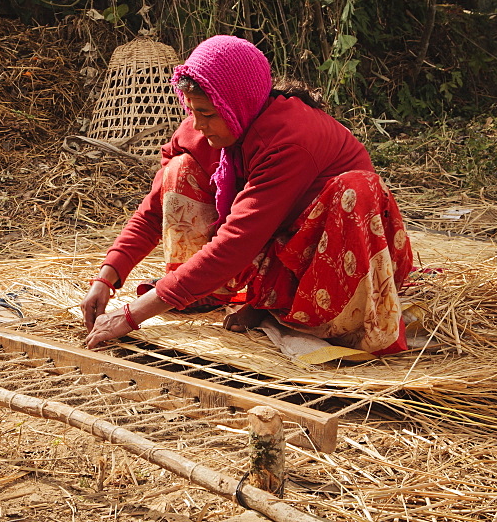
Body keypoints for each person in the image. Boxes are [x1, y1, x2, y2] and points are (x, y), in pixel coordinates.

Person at [82, 35, 413, 356]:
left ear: (236, 106)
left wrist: (132, 314)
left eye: (208, 113)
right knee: (178, 170)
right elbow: (153, 212)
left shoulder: (290, 141)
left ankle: (319, 319)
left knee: (356, 188)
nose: (197, 124)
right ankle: (209, 294)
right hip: (276, 249)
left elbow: (237, 242)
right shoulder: (206, 131)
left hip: (333, 259)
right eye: (192, 110)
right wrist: (106, 277)